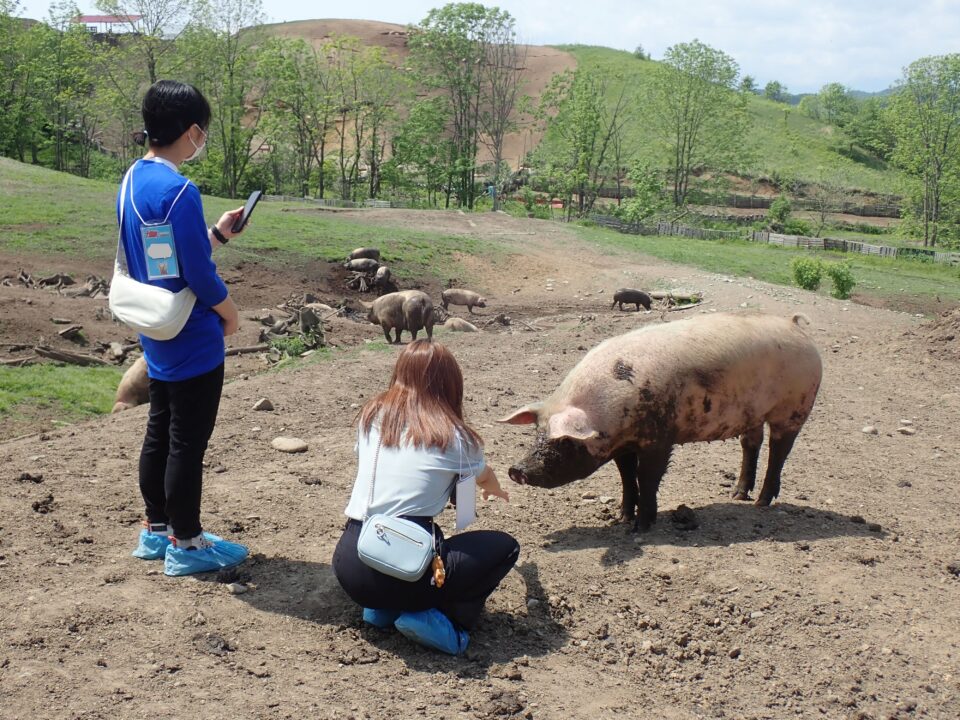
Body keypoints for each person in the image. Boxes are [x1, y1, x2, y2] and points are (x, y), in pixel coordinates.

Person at [121, 80, 248, 576]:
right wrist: (231, 314)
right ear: (192, 132)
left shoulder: (133, 179)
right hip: (193, 336)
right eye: (204, 132)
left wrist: (216, 233)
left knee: (160, 430)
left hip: (154, 324)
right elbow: (198, 273)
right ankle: (188, 543)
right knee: (187, 443)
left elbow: (164, 257)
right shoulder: (180, 190)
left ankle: (155, 531)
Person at [332, 339, 520, 655]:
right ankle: (445, 624)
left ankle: (380, 611)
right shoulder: (456, 437)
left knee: (406, 552)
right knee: (504, 547)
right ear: (451, 384)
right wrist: (492, 489)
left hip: (351, 561)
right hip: (405, 567)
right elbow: (471, 501)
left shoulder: (372, 416)